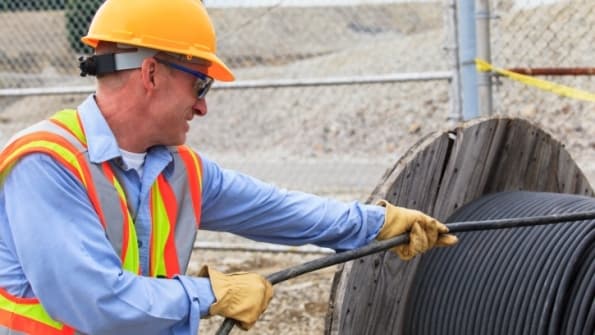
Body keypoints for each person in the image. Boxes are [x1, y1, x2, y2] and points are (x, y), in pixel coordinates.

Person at [0, 0, 458, 334]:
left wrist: (380, 224)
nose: (202, 109)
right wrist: (210, 295)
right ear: (152, 74)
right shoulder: (47, 164)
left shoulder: (179, 170)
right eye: (200, 87)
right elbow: (93, 301)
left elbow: (281, 210)